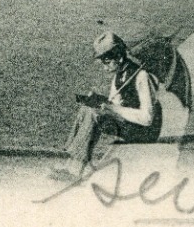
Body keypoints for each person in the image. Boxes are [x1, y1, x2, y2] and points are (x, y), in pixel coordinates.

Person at [53, 31, 162, 180]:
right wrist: (99, 101)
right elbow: (114, 104)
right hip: (128, 123)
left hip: (145, 132)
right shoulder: (119, 75)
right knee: (87, 108)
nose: (104, 67)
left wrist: (112, 108)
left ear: (119, 56)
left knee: (94, 115)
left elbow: (147, 118)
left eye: (107, 61)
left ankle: (76, 170)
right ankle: (69, 163)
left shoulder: (141, 76)